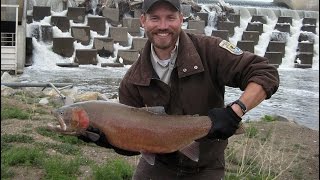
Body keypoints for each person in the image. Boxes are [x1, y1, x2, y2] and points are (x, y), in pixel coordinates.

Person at [81, 0, 279, 179]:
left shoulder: (210, 50)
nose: (163, 26)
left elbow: (265, 73)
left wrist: (236, 111)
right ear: (143, 21)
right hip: (159, 165)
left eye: (170, 17)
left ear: (181, 19)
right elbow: (133, 147)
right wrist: (109, 138)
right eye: (155, 18)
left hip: (207, 165)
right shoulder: (133, 81)